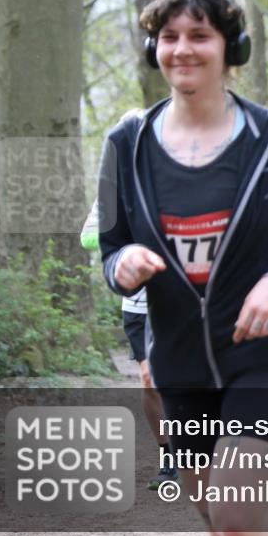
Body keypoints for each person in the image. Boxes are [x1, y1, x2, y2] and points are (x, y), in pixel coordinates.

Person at [97, 0, 268, 536]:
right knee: (218, 524)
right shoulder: (125, 143)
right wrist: (123, 263)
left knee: (234, 512)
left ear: (231, 50)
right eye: (168, 35)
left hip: (262, 357)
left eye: (199, 35)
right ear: (152, 47)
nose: (182, 48)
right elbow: (110, 248)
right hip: (179, 364)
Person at [82, 195, 178, 490]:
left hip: (183, 298)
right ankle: (168, 456)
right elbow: (87, 237)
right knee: (149, 379)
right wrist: (128, 246)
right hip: (137, 305)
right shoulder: (116, 187)